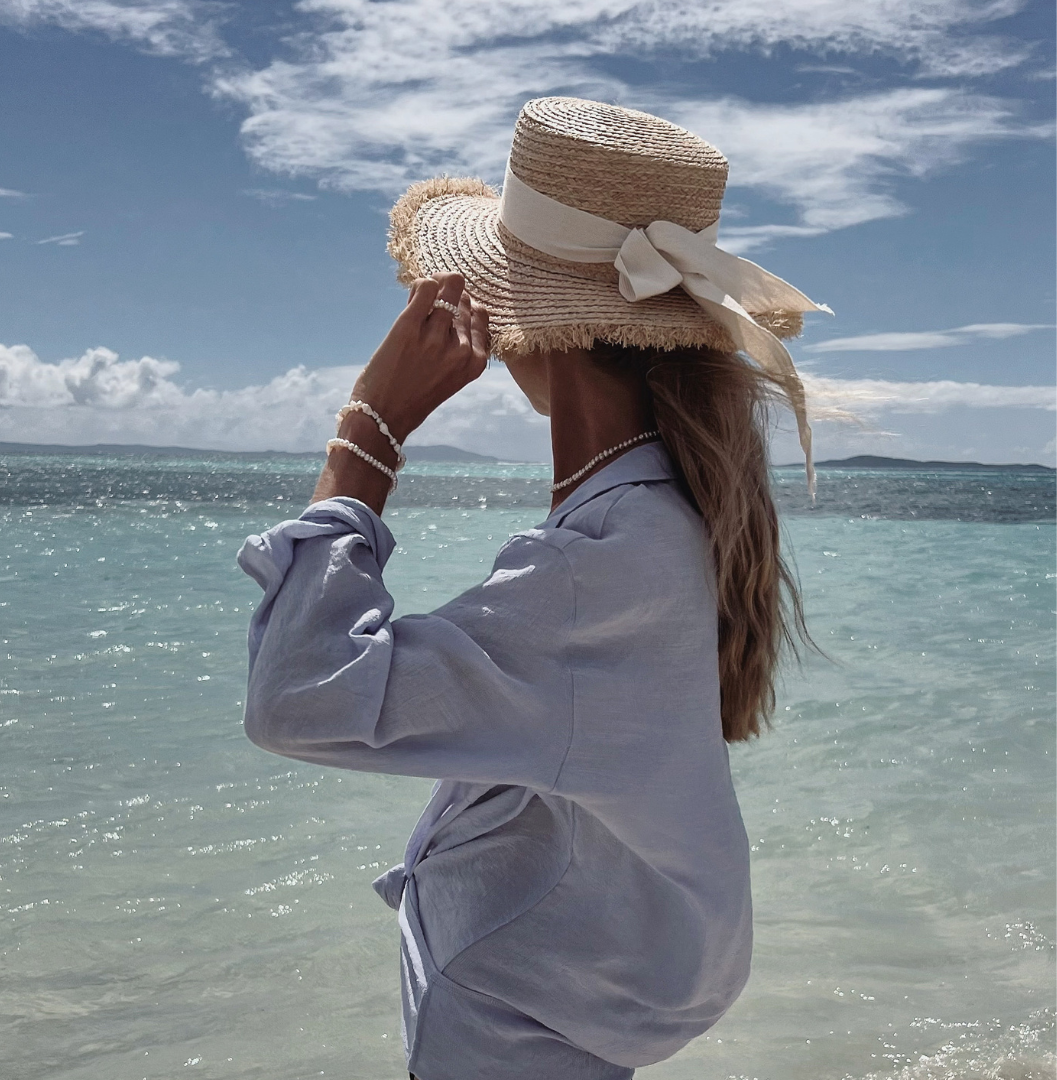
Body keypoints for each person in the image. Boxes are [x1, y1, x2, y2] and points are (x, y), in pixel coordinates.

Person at [237, 97, 827, 1080]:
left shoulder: (596, 569)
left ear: (526, 325)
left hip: (513, 1029)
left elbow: (297, 699)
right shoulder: (664, 517)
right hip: (551, 1008)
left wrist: (368, 431)